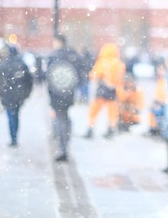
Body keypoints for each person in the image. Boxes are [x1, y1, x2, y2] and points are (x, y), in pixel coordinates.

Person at [46, 34, 83, 162]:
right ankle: (66, 139)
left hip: (57, 93)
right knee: (65, 117)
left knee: (60, 118)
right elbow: (80, 73)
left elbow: (48, 76)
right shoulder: (72, 56)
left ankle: (63, 148)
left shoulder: (54, 56)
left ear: (58, 42)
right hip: (68, 92)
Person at [84, 43, 126, 139]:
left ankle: (90, 129)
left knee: (94, 110)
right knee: (112, 112)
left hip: (102, 90)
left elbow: (93, 75)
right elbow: (121, 79)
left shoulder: (102, 62)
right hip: (114, 91)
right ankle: (111, 130)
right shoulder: (120, 64)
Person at [0, 45, 33, 147]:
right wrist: (26, 94)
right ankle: (15, 136)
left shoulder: (4, 65)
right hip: (18, 95)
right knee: (16, 115)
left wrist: (0, 94)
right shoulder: (21, 64)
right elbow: (29, 80)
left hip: (8, 95)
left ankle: (13, 137)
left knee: (11, 116)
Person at [148, 63, 168, 136]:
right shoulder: (160, 81)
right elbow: (157, 94)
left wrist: (160, 102)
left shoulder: (166, 81)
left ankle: (157, 129)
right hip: (159, 103)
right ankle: (153, 129)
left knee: (158, 111)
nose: (159, 72)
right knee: (153, 110)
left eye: (161, 70)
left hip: (164, 104)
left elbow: (166, 95)